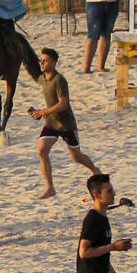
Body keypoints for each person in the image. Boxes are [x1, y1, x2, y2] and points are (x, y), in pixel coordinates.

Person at [29, 48, 99, 200]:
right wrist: (40, 114)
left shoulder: (59, 80)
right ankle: (50, 188)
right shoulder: (43, 79)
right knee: (42, 151)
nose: (42, 63)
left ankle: (96, 171)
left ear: (54, 63)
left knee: (77, 157)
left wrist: (43, 112)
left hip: (66, 125)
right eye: (41, 60)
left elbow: (63, 104)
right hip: (51, 123)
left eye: (45, 60)